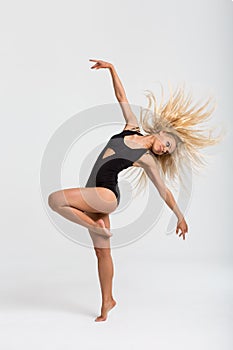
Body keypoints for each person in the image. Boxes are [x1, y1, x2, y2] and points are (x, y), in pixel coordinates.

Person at [48, 59, 222, 322]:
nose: (164, 149)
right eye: (167, 144)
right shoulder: (130, 126)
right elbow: (121, 96)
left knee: (55, 200)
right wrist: (112, 69)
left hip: (106, 195)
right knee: (102, 252)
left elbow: (164, 191)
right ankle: (108, 301)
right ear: (162, 132)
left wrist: (179, 215)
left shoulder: (147, 159)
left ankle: (97, 229)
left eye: (167, 151)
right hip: (93, 192)